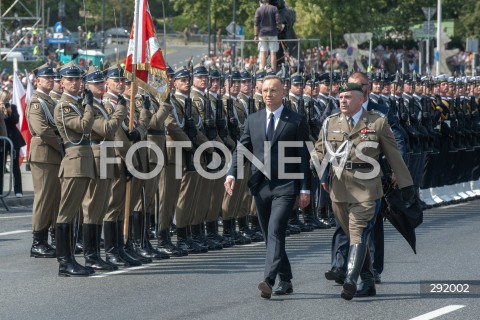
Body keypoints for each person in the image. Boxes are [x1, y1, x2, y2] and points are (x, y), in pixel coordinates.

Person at [314, 82, 414, 300]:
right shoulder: (330, 123)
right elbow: (319, 151)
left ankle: (351, 279)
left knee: (358, 231)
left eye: (348, 97)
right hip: (339, 188)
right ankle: (368, 281)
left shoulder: (377, 122)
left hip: (367, 186)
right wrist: (322, 176)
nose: (343, 101)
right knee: (353, 235)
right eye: (341, 97)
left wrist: (406, 186)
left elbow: (394, 155)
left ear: (361, 99)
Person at [224, 75, 311, 299]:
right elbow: (241, 149)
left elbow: (303, 157)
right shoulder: (253, 120)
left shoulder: (296, 120)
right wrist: (231, 173)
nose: (268, 95)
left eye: (273, 91)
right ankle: (287, 279)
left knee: (275, 229)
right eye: (265, 91)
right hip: (261, 185)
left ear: (284, 92)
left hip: (286, 184)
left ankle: (269, 280)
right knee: (270, 235)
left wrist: (305, 188)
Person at [54, 61, 96, 277]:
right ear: (61, 83)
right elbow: (83, 127)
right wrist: (89, 106)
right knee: (67, 213)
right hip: (74, 162)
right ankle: (64, 262)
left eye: (78, 79)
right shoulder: (64, 106)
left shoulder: (76, 104)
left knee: (74, 214)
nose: (76, 83)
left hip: (83, 161)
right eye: (70, 79)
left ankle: (71, 258)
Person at [26, 63, 62, 258]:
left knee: (55, 198)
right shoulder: (37, 102)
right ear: (37, 81)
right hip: (44, 153)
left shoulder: (50, 101)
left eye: (51, 77)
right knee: (44, 198)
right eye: (46, 78)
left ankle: (53, 237)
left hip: (53, 153)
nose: (50, 80)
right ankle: (38, 242)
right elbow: (42, 129)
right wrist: (62, 144)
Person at [0, 89, 26, 197]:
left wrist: (10, 112)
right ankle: (0, 190)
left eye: (8, 100)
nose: (6, 102)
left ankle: (18, 190)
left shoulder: (13, 107)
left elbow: (16, 120)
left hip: (13, 139)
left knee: (15, 165)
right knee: (1, 166)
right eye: (4, 100)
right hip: (2, 140)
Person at [254, 0, 284, 71]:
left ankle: (262, 70)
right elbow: (278, 22)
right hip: (272, 33)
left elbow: (256, 24)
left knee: (262, 52)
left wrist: (255, 35)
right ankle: (273, 70)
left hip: (262, 34)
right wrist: (281, 27)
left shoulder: (258, 10)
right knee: (273, 53)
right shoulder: (274, 8)